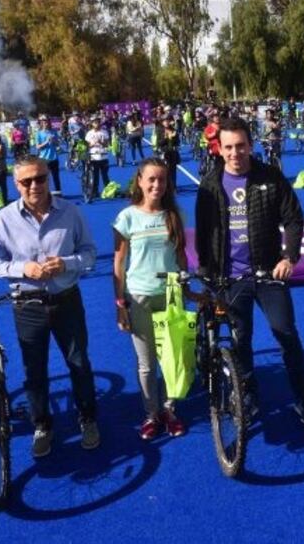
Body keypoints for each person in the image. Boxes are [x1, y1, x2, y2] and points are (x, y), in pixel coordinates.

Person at [194, 117, 304, 425]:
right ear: (219, 149)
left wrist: (289, 257)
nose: (234, 153)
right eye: (228, 147)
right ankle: (247, 395)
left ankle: (303, 397)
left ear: (250, 145)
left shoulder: (271, 176)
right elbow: (203, 233)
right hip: (230, 278)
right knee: (241, 340)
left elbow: (293, 218)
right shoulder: (210, 184)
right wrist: (207, 275)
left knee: (285, 332)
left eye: (240, 146)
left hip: (268, 274)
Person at [0, 156, 100, 457]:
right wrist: (23, 268)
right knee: (34, 369)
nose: (34, 185)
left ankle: (88, 418)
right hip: (28, 305)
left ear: (48, 178)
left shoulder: (70, 212)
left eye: (40, 178)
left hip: (66, 300)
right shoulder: (3, 219)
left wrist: (66, 263)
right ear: (16, 184)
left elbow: (89, 253)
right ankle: (42, 425)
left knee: (79, 363)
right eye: (27, 181)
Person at [112, 158, 189, 440]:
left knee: (171, 358)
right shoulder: (127, 217)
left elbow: (181, 255)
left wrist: (186, 288)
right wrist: (120, 304)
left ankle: (169, 410)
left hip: (170, 294)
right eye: (151, 179)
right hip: (139, 296)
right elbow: (119, 263)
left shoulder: (174, 215)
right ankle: (151, 413)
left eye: (162, 179)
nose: (157, 185)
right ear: (140, 182)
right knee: (147, 363)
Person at [34, 115, 63, 196]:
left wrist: (55, 141)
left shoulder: (53, 132)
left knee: (56, 177)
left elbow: (57, 144)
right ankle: (44, 194)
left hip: (54, 157)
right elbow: (38, 147)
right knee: (44, 178)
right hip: (44, 158)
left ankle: (58, 193)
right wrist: (46, 142)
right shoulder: (39, 133)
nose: (45, 123)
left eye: (46, 121)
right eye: (43, 121)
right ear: (41, 123)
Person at [84, 117, 111, 194]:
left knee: (105, 175)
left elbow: (107, 144)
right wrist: (92, 144)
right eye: (95, 122)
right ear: (92, 124)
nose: (97, 124)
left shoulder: (104, 132)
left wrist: (100, 142)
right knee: (95, 176)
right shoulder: (89, 133)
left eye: (98, 122)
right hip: (93, 157)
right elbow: (86, 146)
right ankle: (94, 192)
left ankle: (108, 191)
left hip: (103, 156)